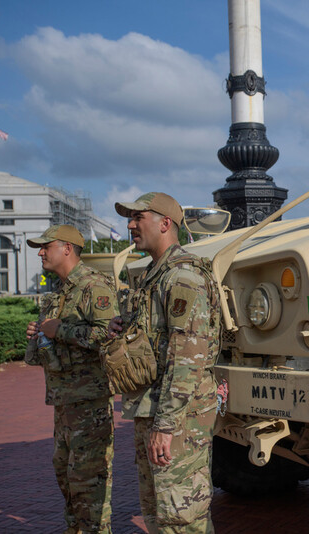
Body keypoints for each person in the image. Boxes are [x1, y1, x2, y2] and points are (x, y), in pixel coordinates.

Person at [110, 192, 220, 533]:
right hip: (153, 411)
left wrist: (167, 425)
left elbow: (188, 358)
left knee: (181, 518)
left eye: (137, 218)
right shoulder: (155, 275)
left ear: (164, 223)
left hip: (178, 419)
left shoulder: (182, 276)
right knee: (159, 513)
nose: (130, 225)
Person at [25, 224, 117, 534]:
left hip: (89, 403)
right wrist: (35, 338)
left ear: (66, 248)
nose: (40, 252)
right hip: (64, 403)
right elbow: (38, 356)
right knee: (65, 476)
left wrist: (58, 330)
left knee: (88, 482)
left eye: (45, 246)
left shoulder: (95, 287)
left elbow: (108, 336)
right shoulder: (56, 296)